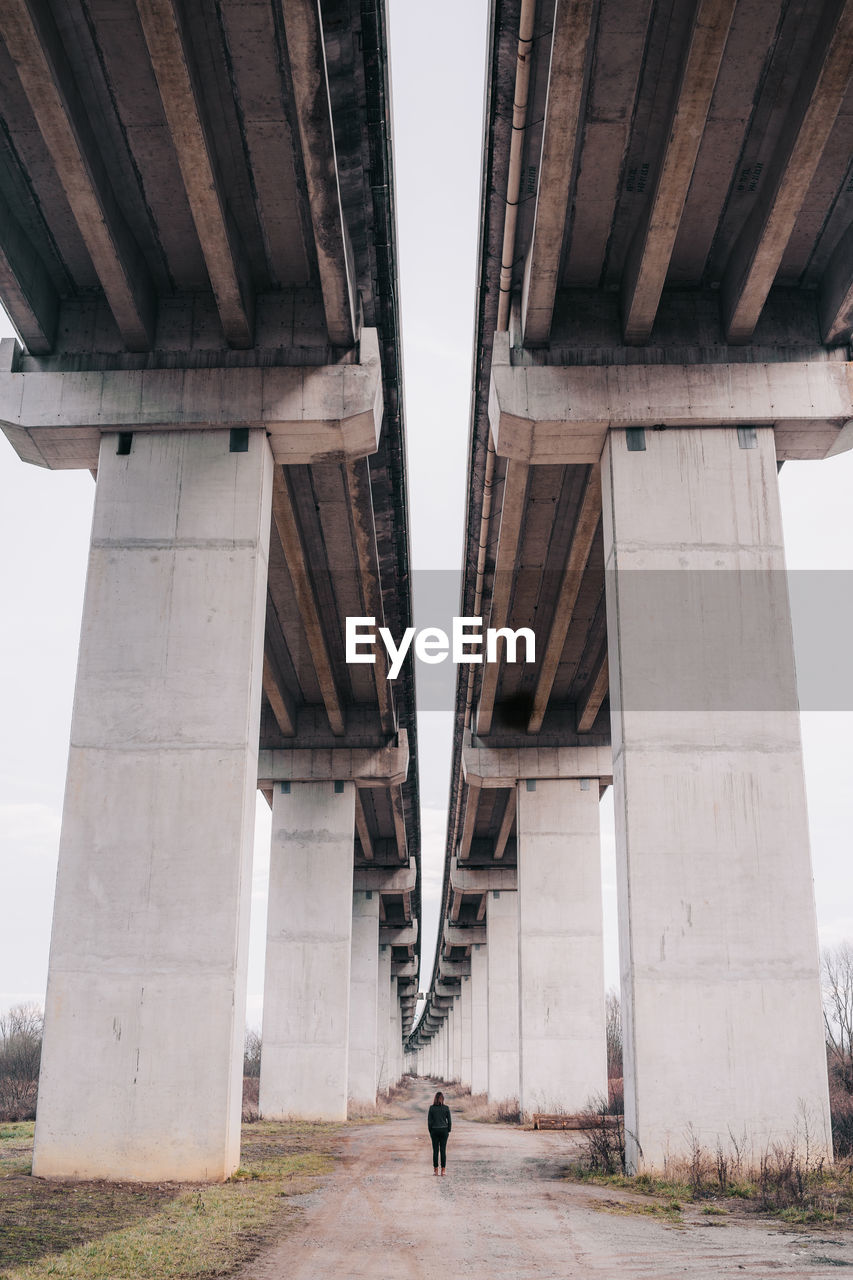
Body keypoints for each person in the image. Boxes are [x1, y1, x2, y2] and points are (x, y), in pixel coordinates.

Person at [427, 1090, 452, 1176]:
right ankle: (443, 1171)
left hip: (434, 1130)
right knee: (443, 1150)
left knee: (435, 1151)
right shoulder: (446, 1108)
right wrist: (448, 1130)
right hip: (444, 1130)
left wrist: (431, 1131)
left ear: (435, 1099)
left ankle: (435, 1170)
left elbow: (429, 1121)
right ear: (443, 1099)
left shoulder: (431, 1108)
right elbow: (449, 1121)